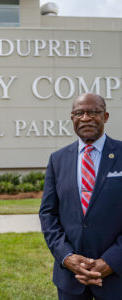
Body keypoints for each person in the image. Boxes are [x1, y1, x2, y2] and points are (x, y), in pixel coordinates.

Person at [39, 93, 122, 300]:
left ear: (106, 116)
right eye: (79, 113)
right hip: (70, 277)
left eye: (94, 112)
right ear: (72, 118)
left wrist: (111, 260)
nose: (86, 118)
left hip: (117, 275)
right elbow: (48, 214)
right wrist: (66, 257)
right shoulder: (57, 159)